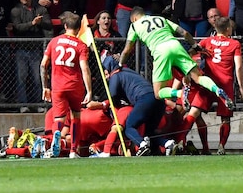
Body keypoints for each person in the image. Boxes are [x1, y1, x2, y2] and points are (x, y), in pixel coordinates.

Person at [118, 7, 233, 109]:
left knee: (158, 93)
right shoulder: (160, 19)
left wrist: (120, 65)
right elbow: (184, 32)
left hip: (160, 51)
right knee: (198, 77)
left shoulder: (135, 25)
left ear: (133, 18)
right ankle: (217, 90)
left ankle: (180, 94)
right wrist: (195, 45)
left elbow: (127, 50)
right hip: (175, 45)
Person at [40, 12, 92, 159]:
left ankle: (56, 137)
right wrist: (89, 91)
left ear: (65, 26)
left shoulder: (54, 42)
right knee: (76, 117)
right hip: (75, 85)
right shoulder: (81, 45)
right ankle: (74, 151)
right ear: (78, 28)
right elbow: (85, 68)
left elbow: (43, 65)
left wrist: (45, 86)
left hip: (58, 86)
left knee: (59, 119)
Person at [100, 55, 167, 157]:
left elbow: (112, 95)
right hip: (158, 99)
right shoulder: (128, 72)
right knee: (148, 131)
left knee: (129, 127)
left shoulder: (115, 75)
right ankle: (167, 143)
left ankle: (142, 145)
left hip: (145, 98)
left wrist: (116, 103)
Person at [197, 16, 243, 155]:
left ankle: (204, 147)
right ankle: (221, 146)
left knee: (195, 112)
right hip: (225, 84)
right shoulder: (234, 44)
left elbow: (192, 52)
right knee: (225, 118)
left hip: (208, 83)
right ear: (228, 29)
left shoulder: (207, 41)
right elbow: (239, 66)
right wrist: (241, 87)